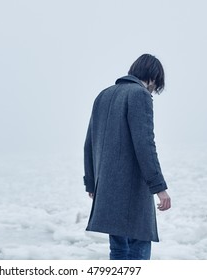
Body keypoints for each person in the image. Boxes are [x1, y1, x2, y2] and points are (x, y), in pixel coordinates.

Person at [83, 54, 171, 260]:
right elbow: (145, 145)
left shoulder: (103, 95)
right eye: (156, 84)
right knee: (138, 251)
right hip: (131, 192)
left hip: (106, 190)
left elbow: (89, 143)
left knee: (119, 251)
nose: (153, 89)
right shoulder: (139, 95)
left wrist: (91, 184)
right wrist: (159, 188)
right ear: (153, 77)